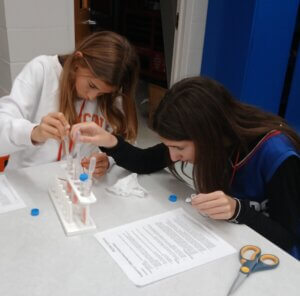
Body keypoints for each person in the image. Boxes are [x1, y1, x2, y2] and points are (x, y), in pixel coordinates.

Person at [71, 76, 300, 259]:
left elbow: (287, 239)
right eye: (169, 146)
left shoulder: (277, 155)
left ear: (207, 133)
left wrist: (238, 210)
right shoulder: (212, 137)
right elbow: (146, 161)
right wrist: (109, 141)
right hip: (237, 243)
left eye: (179, 148)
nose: (173, 156)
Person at [0, 31, 139, 176]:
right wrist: (34, 132)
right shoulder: (42, 71)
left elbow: (127, 143)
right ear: (78, 62)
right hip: (28, 183)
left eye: (102, 94)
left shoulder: (113, 97)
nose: (92, 97)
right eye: (92, 85)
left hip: (82, 185)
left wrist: (109, 159)